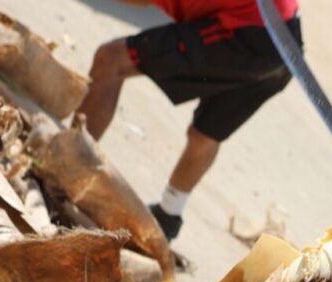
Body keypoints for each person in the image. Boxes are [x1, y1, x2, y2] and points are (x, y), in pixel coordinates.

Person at [77, 0, 301, 240]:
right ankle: (168, 215)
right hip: (286, 40)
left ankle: (71, 167)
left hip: (247, 32)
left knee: (112, 59)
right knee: (205, 133)